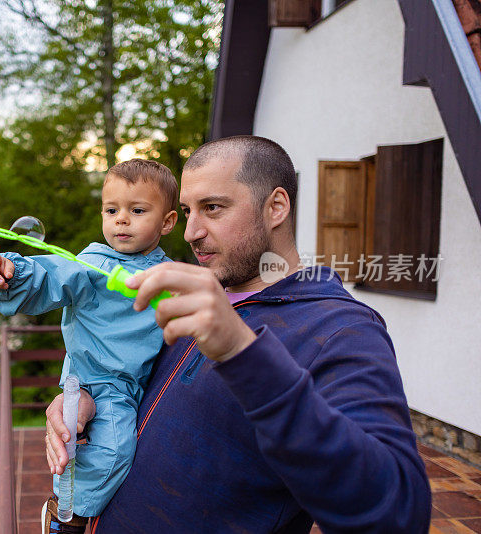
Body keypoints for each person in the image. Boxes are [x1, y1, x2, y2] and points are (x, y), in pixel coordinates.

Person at [45, 136, 431, 533]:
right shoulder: (188, 295)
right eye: (187, 211)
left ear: (276, 207)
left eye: (212, 208)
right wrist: (86, 400)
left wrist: (242, 352)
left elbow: (398, 514)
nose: (191, 231)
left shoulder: (341, 330)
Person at [0, 159, 179, 533]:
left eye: (137, 210)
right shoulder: (92, 265)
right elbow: (51, 275)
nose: (121, 219)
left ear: (167, 222)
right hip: (97, 382)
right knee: (112, 448)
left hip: (136, 383)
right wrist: (12, 274)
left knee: (109, 447)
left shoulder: (168, 274)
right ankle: (66, 516)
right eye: (111, 210)